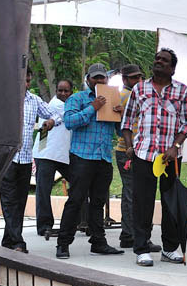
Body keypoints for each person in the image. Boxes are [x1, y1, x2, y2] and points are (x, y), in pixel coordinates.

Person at [122, 49, 187, 265]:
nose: (159, 62)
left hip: (170, 157)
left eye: (164, 60)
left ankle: (170, 248)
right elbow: (126, 122)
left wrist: (176, 146)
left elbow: (186, 124)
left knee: (170, 202)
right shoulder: (139, 89)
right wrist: (129, 146)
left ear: (172, 67)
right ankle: (141, 249)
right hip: (144, 155)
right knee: (142, 203)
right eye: (157, 59)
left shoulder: (182, 91)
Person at [56, 63, 123, 259]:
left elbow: (118, 132)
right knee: (76, 200)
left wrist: (120, 116)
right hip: (82, 157)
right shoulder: (77, 98)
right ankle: (63, 243)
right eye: (95, 78)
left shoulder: (112, 98)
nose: (99, 81)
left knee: (98, 203)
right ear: (88, 79)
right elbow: (69, 123)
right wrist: (93, 108)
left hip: (103, 158)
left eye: (102, 78)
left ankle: (98, 243)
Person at [0, 67, 56, 253]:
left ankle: (9, 239)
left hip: (24, 158)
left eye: (29, 80)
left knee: (20, 201)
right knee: (8, 200)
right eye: (23, 80)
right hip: (7, 157)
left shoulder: (34, 100)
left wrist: (51, 122)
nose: (26, 84)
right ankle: (18, 242)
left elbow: (55, 114)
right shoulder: (5, 99)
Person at [34, 79, 74, 236]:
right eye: (60, 90)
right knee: (43, 191)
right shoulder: (56, 105)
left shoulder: (65, 105)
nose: (62, 93)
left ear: (71, 92)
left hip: (62, 155)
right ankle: (44, 226)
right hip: (46, 154)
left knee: (78, 184)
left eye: (66, 91)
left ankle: (78, 219)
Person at [113, 64, 144, 248]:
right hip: (127, 150)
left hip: (132, 149)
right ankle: (130, 235)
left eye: (139, 77)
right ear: (124, 79)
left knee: (131, 193)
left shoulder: (134, 94)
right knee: (133, 194)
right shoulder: (124, 95)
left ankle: (128, 234)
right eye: (133, 78)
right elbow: (120, 125)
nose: (138, 81)